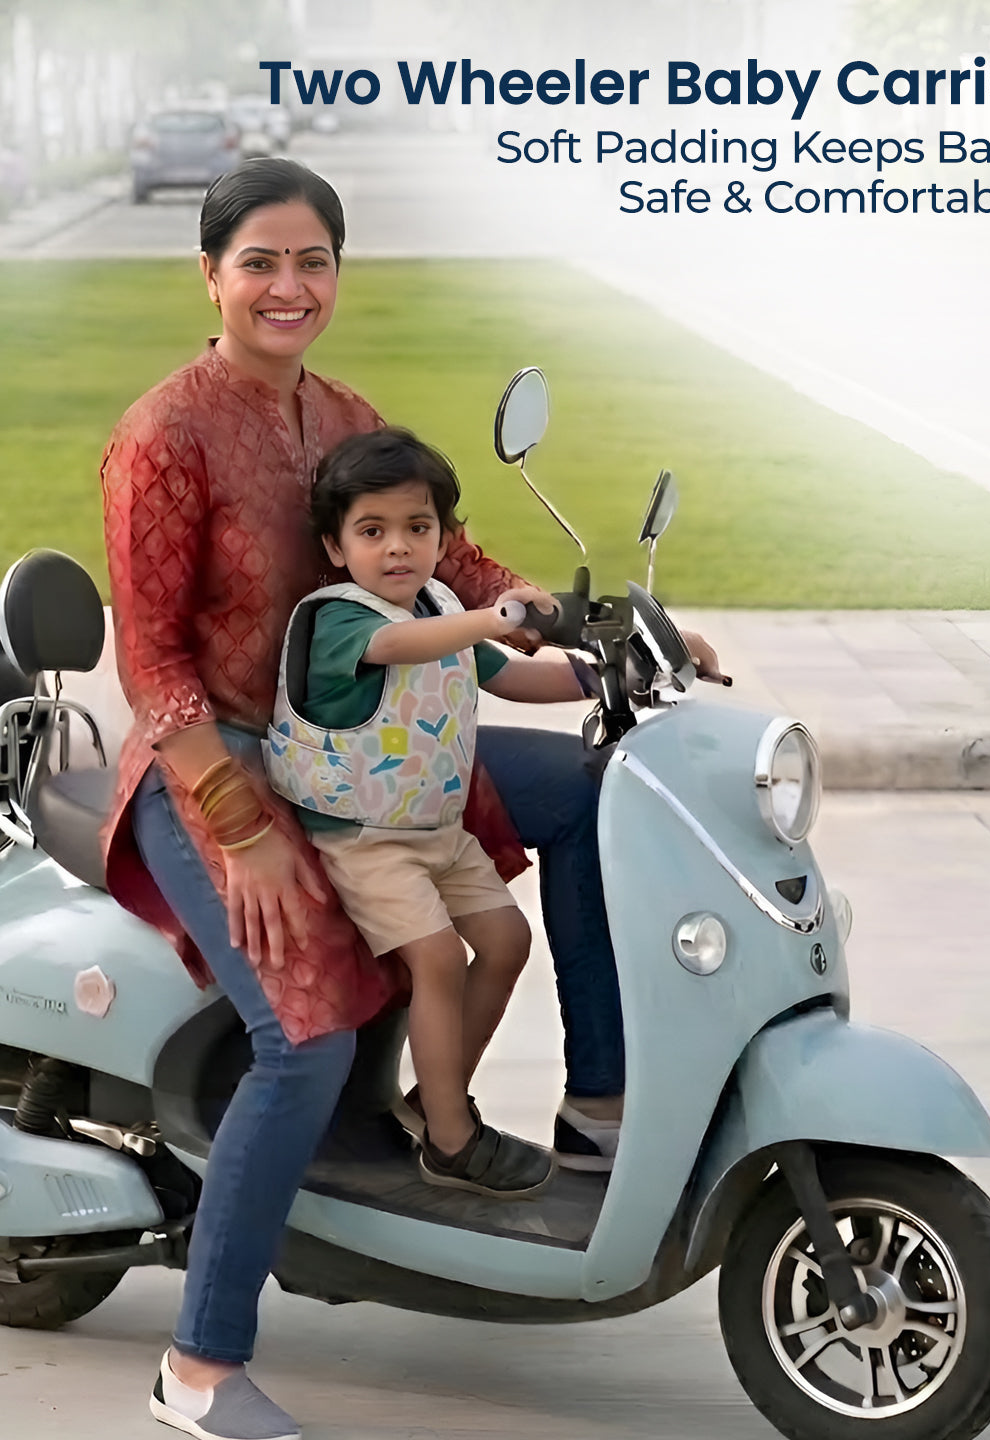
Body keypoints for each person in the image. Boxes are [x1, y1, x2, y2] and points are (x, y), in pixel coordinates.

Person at [99, 156, 721, 1440]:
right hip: (215, 764)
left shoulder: (341, 414)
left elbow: (463, 560)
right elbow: (150, 666)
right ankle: (200, 1368)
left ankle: (594, 1109)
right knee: (307, 1035)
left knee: (604, 792)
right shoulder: (163, 433)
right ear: (209, 275)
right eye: (259, 262)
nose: (288, 285)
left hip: (373, 757)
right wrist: (239, 829)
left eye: (312, 260)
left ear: (337, 273)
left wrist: (613, 627)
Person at [267, 426, 591, 1198]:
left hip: (437, 831)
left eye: (419, 529)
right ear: (337, 546)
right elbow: (406, 644)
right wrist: (492, 616)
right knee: (440, 959)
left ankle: (433, 1099)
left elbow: (512, 682)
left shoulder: (443, 605)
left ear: (443, 538)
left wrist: (604, 675)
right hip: (364, 839)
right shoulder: (343, 619)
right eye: (373, 532)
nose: (399, 550)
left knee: (508, 939)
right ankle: (452, 1138)